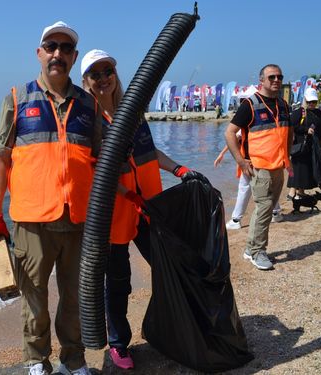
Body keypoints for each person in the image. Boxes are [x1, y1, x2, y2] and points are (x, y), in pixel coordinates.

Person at [0, 21, 101, 375]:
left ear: (74, 57)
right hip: (32, 222)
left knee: (74, 298)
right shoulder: (17, 99)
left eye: (65, 49)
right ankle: (36, 361)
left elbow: (103, 160)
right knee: (34, 298)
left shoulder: (87, 105)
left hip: (78, 220)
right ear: (39, 53)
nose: (58, 54)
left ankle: (74, 362)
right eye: (51, 46)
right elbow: (1, 160)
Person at [80, 49, 208, 370]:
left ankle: (176, 325)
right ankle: (119, 343)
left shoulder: (133, 112)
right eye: (96, 74)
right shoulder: (87, 122)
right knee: (119, 281)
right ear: (86, 81)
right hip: (115, 215)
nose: (104, 78)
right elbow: (92, 171)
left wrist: (179, 170)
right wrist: (127, 194)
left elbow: (150, 152)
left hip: (150, 206)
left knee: (172, 265)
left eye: (108, 70)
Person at [224, 64, 292, 270]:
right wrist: (241, 161)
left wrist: (288, 159)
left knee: (267, 208)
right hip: (259, 167)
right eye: (271, 77)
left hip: (279, 166)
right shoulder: (250, 105)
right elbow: (229, 133)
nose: (276, 80)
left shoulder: (283, 104)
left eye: (279, 77)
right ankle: (257, 252)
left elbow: (288, 133)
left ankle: (250, 248)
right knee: (263, 208)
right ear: (261, 80)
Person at [214, 133, 283, 230]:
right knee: (268, 187)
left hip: (251, 161)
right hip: (267, 159)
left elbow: (233, 138)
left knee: (244, 189)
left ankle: (236, 220)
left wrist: (222, 153)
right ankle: (276, 213)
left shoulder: (247, 121)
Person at [286, 87, 321, 198]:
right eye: (309, 102)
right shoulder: (299, 112)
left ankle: (300, 191)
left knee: (305, 169)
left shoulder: (318, 112)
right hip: (299, 146)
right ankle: (292, 192)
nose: (312, 104)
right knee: (297, 168)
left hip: (312, 146)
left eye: (314, 102)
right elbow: (292, 127)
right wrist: (306, 130)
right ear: (305, 100)